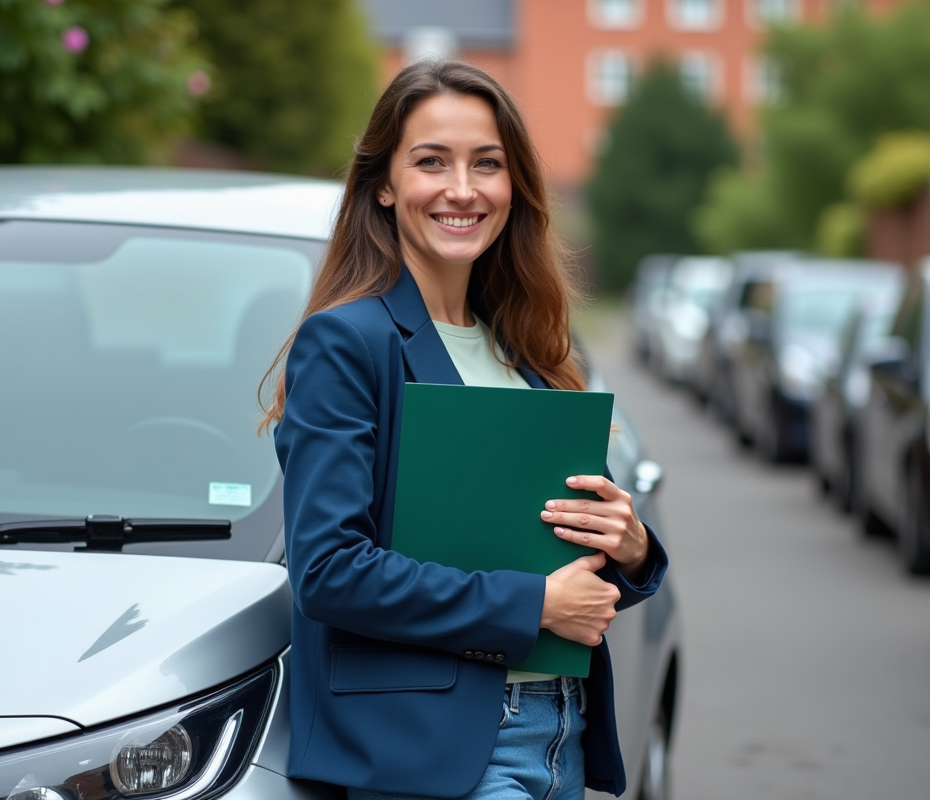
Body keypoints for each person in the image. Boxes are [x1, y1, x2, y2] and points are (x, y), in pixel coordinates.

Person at [260, 59, 668, 800]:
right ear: (383, 184)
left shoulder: (530, 353)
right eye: (431, 162)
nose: (462, 188)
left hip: (559, 734)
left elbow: (536, 552)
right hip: (439, 751)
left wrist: (629, 547)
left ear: (513, 189)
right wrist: (533, 607)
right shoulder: (349, 343)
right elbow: (327, 570)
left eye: (488, 164)